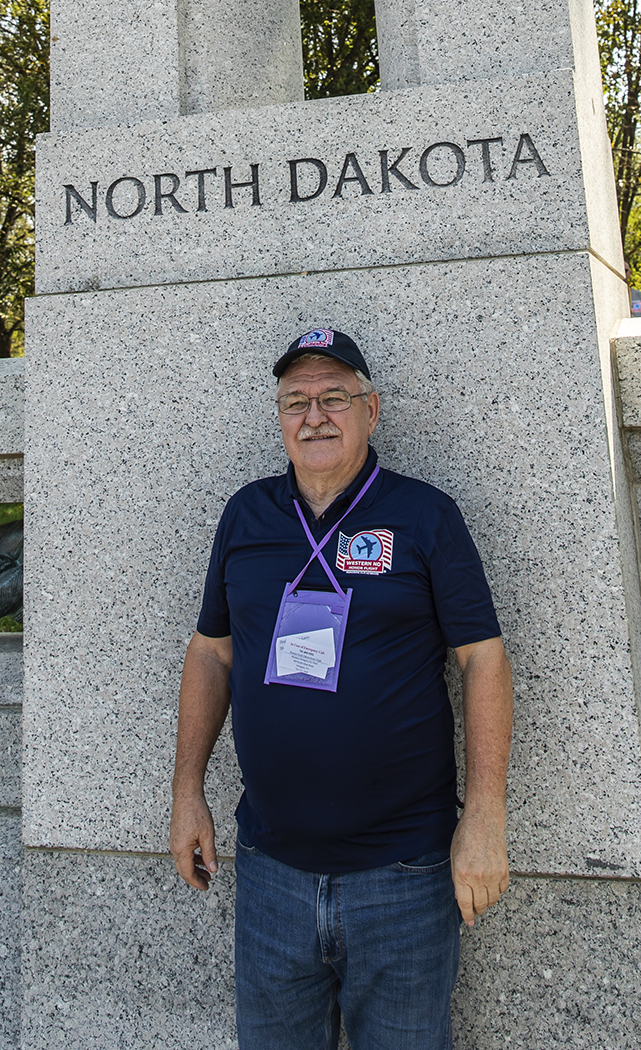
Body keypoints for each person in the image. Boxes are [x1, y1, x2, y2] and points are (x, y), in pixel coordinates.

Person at [170, 328, 513, 1050]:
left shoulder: (425, 516)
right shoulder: (247, 516)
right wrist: (186, 791)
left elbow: (483, 659)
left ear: (372, 409)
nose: (315, 415)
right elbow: (211, 652)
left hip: (405, 874)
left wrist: (484, 818)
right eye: (296, 400)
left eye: (334, 397)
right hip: (271, 873)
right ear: (279, 416)